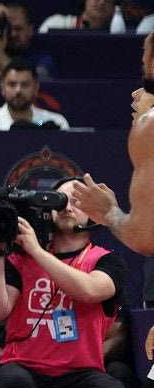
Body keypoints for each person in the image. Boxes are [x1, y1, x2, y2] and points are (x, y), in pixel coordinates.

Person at [0, 178, 128, 388]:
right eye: (60, 201)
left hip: (80, 374)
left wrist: (37, 251)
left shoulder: (106, 260)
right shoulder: (20, 260)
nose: (67, 207)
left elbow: (89, 290)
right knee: (10, 381)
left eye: (77, 201)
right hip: (25, 368)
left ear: (92, 214)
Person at [70, 33, 154, 255]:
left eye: (144, 63)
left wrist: (108, 212)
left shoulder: (150, 127)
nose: (136, 94)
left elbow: (144, 237)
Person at [0, 60, 70, 130]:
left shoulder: (57, 123)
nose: (18, 91)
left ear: (36, 88)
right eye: (12, 84)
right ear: (2, 88)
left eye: (25, 84)